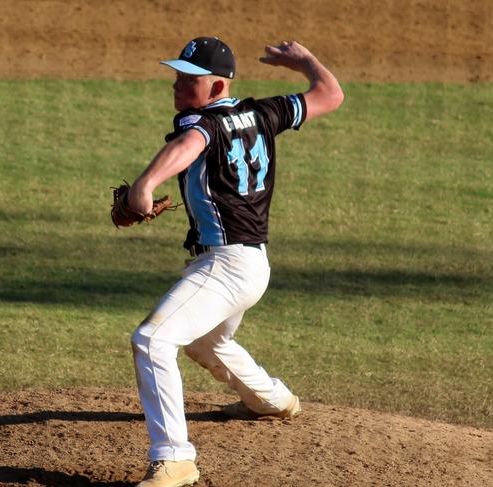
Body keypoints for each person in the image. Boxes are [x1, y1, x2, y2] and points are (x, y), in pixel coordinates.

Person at [127, 36, 344, 487]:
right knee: (206, 344)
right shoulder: (265, 112)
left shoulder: (205, 124)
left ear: (218, 86)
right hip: (251, 266)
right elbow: (330, 95)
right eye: (177, 74)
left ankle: (175, 459)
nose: (178, 83)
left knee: (151, 341)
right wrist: (306, 62)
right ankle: (272, 400)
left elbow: (191, 143)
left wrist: (145, 185)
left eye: (190, 78)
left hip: (225, 268)